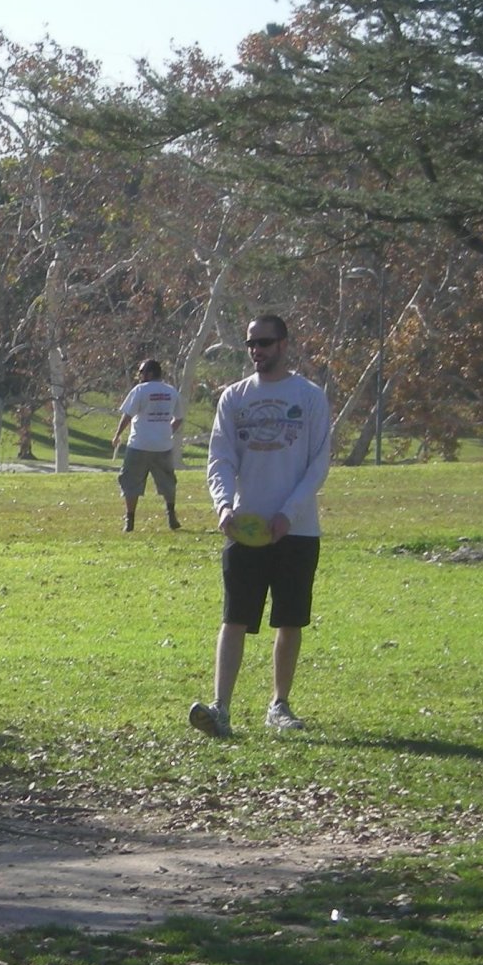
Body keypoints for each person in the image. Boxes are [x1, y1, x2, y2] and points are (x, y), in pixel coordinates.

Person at [191, 315, 331, 736]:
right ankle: (220, 709)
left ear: (284, 345)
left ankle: (280, 706)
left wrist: (289, 512)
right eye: (251, 343)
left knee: (289, 620)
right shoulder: (234, 397)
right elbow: (220, 458)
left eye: (265, 343)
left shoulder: (309, 397)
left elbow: (318, 463)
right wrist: (224, 506)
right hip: (245, 528)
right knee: (235, 617)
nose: (257, 350)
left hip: (297, 529)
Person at [111, 358, 184, 532]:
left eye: (141, 372)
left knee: (130, 482)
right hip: (163, 446)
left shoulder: (140, 390)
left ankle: (130, 520)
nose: (139, 375)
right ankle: (171, 515)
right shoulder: (171, 391)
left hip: (139, 445)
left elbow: (127, 416)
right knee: (167, 481)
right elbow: (179, 417)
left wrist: (117, 435)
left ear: (150, 373)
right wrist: (166, 432)